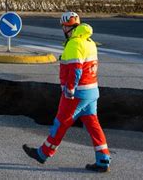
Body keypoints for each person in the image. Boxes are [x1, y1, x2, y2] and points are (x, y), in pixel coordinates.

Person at [23, 11, 111, 173]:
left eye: (63, 27)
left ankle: (43, 153)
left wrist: (70, 89)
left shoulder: (74, 43)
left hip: (77, 93)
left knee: (60, 123)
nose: (63, 30)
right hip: (92, 91)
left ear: (67, 27)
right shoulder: (89, 41)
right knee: (93, 125)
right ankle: (103, 159)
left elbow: (75, 69)